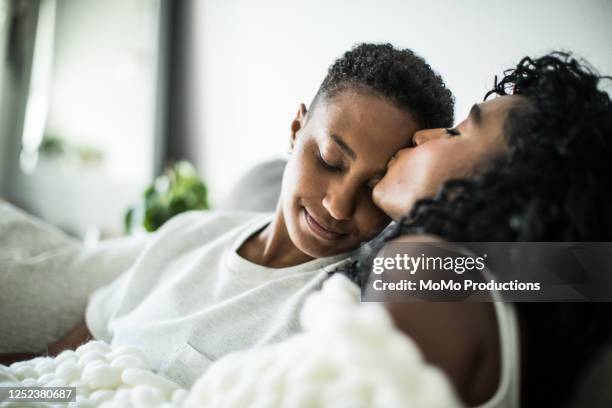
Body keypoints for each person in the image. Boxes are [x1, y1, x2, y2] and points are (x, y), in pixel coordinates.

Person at [0, 43, 454, 378]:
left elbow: (524, 275)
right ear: (296, 130)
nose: (338, 205)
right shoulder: (190, 235)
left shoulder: (356, 298)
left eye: (375, 189)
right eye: (330, 162)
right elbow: (53, 375)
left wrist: (449, 180)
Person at [351, 52, 612, 406]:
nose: (420, 136)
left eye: (456, 132)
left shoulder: (425, 266)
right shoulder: (528, 293)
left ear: (512, 184)